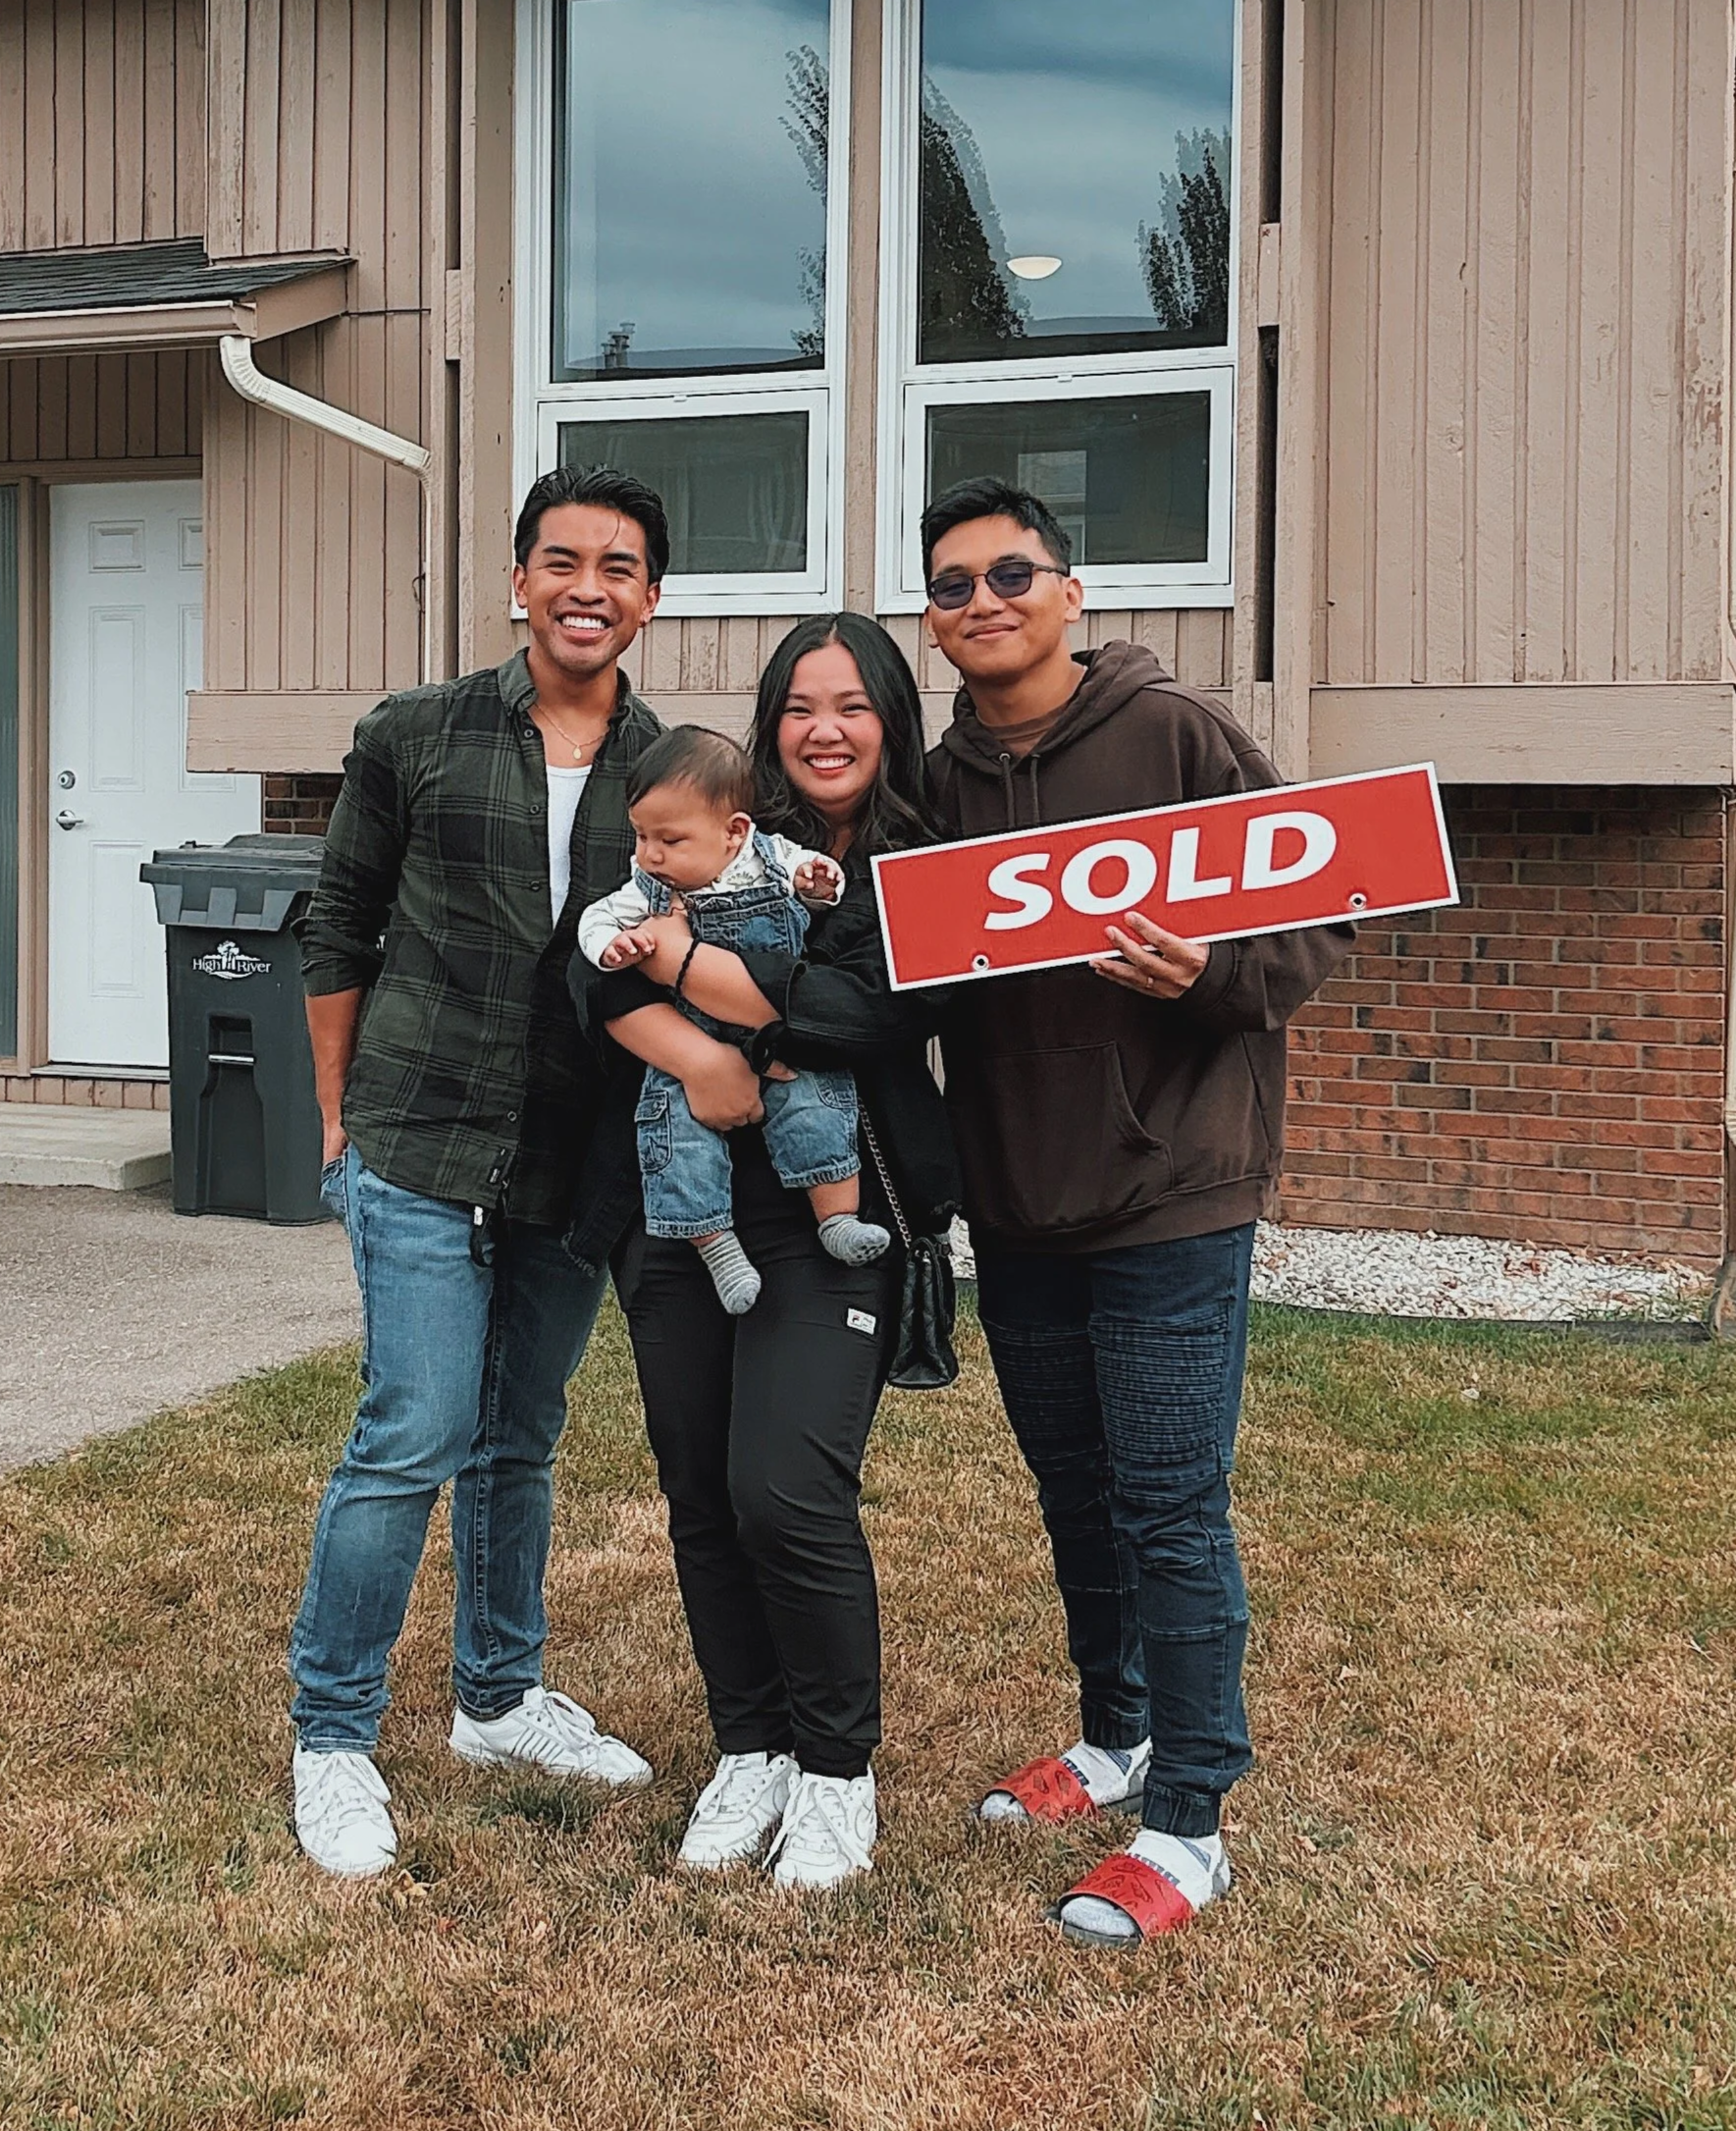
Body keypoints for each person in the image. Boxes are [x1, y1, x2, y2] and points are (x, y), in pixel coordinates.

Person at [921, 476, 1351, 1945]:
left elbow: (1325, 902)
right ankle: (1114, 1735)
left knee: (1169, 1503)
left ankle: (1189, 1819)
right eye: (954, 584)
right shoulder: (939, 783)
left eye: (1009, 574)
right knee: (1074, 1489)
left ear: (1070, 591)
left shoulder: (1175, 734)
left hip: (1172, 1188)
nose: (982, 600)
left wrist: (1211, 974)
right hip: (1019, 1201)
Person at [285, 465, 671, 1880]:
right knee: (414, 1427)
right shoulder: (417, 735)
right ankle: (331, 1732)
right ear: (516, 582)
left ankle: (499, 1697)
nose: (588, 586)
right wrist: (337, 1118)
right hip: (419, 1138)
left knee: (522, 1429)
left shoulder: (671, 771)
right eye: (560, 559)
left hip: (570, 1161)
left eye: (617, 565)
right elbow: (336, 923)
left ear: (648, 597)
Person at [568, 613, 960, 1891]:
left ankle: (836, 1773)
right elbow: (591, 975)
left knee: (782, 1489)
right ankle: (752, 1746)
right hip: (677, 1216)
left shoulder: (913, 863)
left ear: (890, 718)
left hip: (830, 1220)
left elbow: (859, 1013)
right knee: (698, 1495)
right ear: (769, 723)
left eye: (851, 703)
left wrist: (684, 964)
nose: (824, 727)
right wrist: (699, 1044)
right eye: (799, 703)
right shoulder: (700, 822)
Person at [578, 723, 889, 1314]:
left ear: (735, 832)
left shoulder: (773, 858)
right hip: (693, 1037)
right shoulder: (647, 887)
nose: (651, 854)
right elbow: (595, 922)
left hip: (780, 1040)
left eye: (670, 840)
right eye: (641, 836)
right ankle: (716, 1244)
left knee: (818, 1104)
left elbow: (821, 883)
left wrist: (818, 886)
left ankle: (836, 1218)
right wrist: (611, 949)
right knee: (676, 1133)